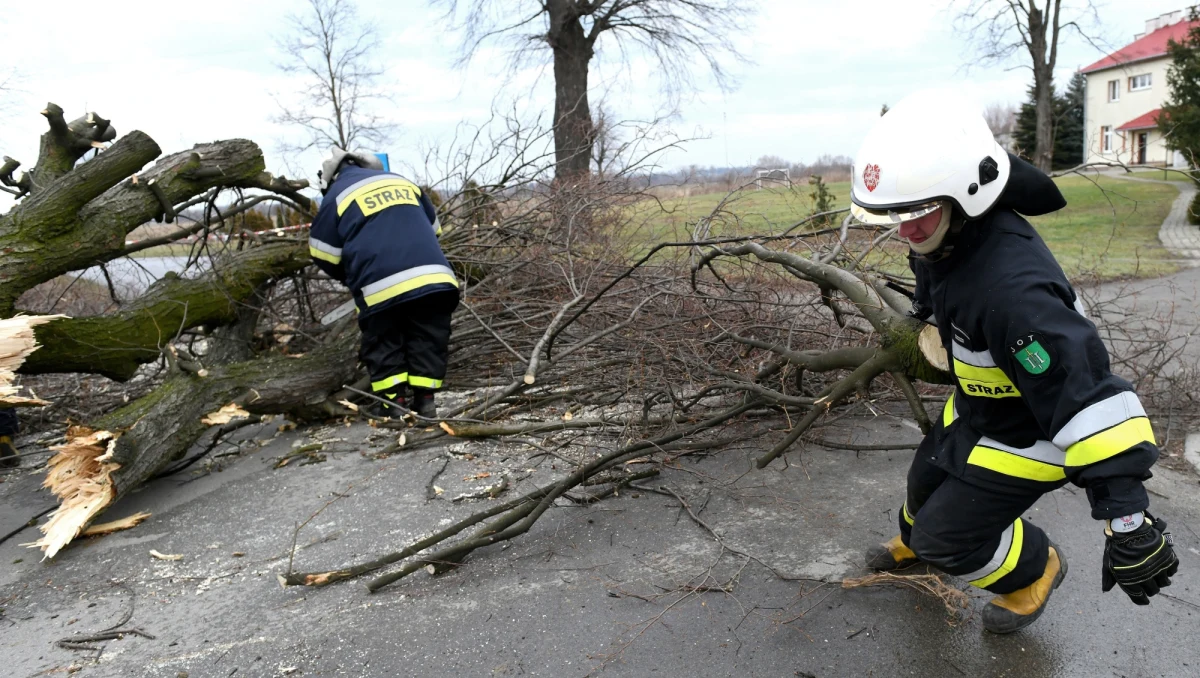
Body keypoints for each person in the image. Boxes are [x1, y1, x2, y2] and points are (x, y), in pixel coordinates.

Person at [850, 91, 1179, 634]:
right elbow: (939, 282)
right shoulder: (948, 229)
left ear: (965, 193)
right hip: (980, 410)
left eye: (916, 214)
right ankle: (919, 542)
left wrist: (1127, 518)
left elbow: (1086, 394)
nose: (905, 231)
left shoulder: (1015, 293)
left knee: (947, 535)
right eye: (895, 215)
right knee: (921, 489)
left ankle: (1033, 571)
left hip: (1031, 433)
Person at [309, 148, 460, 418]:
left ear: (328, 179)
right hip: (435, 277)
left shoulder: (337, 195)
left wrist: (352, 276)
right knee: (428, 338)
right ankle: (426, 403)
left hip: (379, 286)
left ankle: (393, 404)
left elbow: (322, 252)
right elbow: (434, 229)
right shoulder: (403, 182)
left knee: (384, 341)